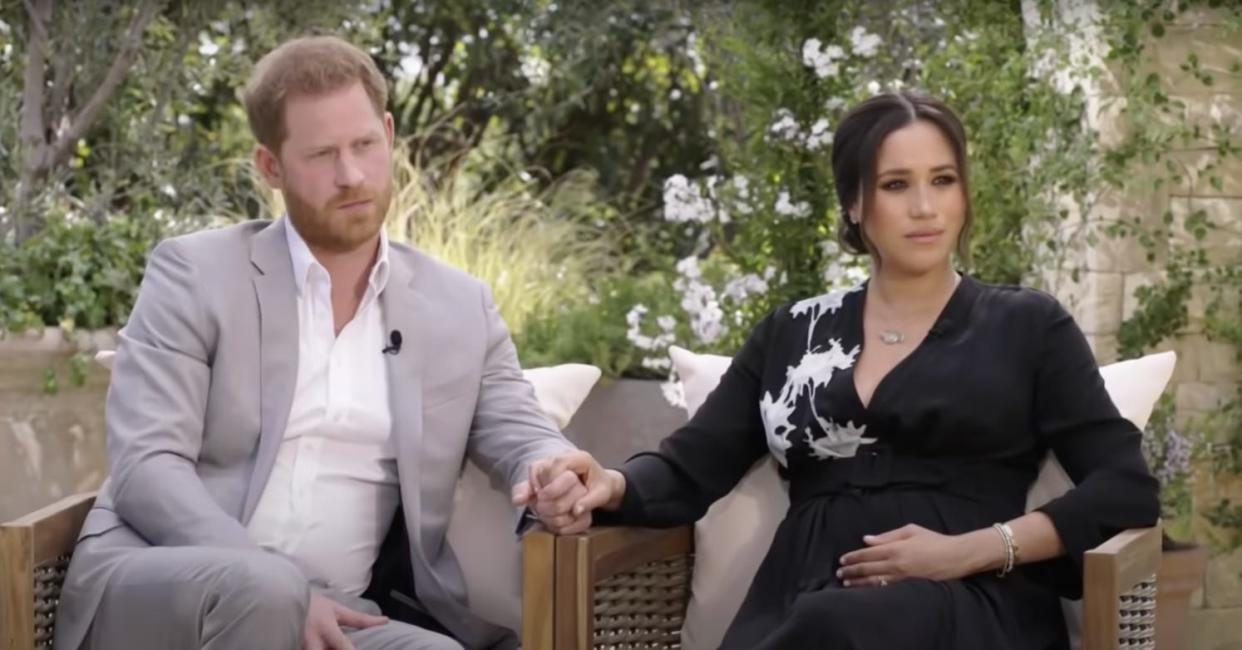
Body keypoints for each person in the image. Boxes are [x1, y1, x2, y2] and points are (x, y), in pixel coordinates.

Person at [537, 91, 1160, 649]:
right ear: (855, 203)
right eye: (896, 185)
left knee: (838, 627)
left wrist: (969, 552)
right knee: (825, 625)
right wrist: (610, 485)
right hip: (800, 602)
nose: (925, 206)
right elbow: (690, 467)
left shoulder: (1027, 326)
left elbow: (1125, 488)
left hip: (967, 607)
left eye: (943, 180)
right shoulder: (791, 332)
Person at [54, 35, 592, 650]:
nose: (352, 175)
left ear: (388, 133)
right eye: (321, 155)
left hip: (340, 615)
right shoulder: (194, 275)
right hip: (168, 588)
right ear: (270, 166)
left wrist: (550, 470)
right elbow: (147, 468)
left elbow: (519, 431)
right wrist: (280, 586)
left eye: (364, 144)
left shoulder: (459, 306)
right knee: (265, 593)